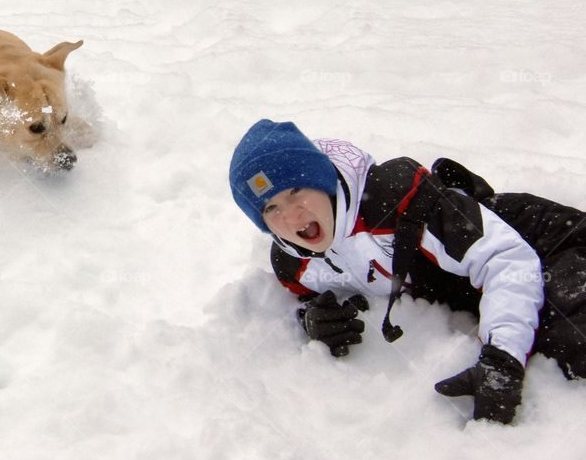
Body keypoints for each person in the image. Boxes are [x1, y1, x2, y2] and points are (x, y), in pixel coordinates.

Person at [228, 119, 586, 424]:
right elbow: (308, 296)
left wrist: (502, 358)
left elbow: (506, 260)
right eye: (271, 207)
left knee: (571, 342)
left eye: (296, 191)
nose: (291, 216)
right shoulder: (294, 263)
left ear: (323, 180)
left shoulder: (399, 201)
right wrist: (312, 318)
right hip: (480, 287)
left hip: (548, 243)